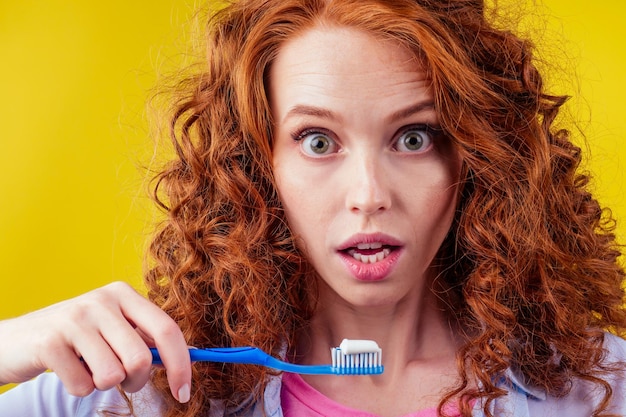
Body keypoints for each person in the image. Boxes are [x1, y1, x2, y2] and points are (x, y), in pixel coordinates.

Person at [1, 0, 625, 416]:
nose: (369, 196)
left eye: (414, 137)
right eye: (318, 141)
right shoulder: (145, 392)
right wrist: (13, 344)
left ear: (475, 153)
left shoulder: (599, 391)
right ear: (256, 163)